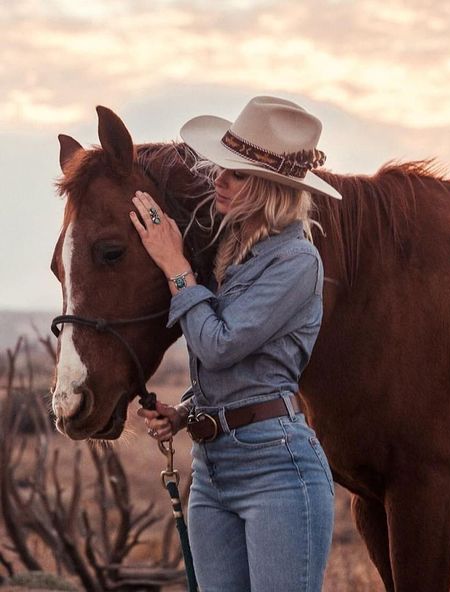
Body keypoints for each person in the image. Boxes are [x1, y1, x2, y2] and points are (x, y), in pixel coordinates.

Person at [130, 96, 342, 592]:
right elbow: (240, 371)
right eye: (222, 168)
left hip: (278, 468)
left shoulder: (296, 261)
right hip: (211, 468)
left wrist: (175, 268)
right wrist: (185, 412)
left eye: (237, 175)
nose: (219, 181)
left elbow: (221, 345)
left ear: (273, 189)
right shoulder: (234, 253)